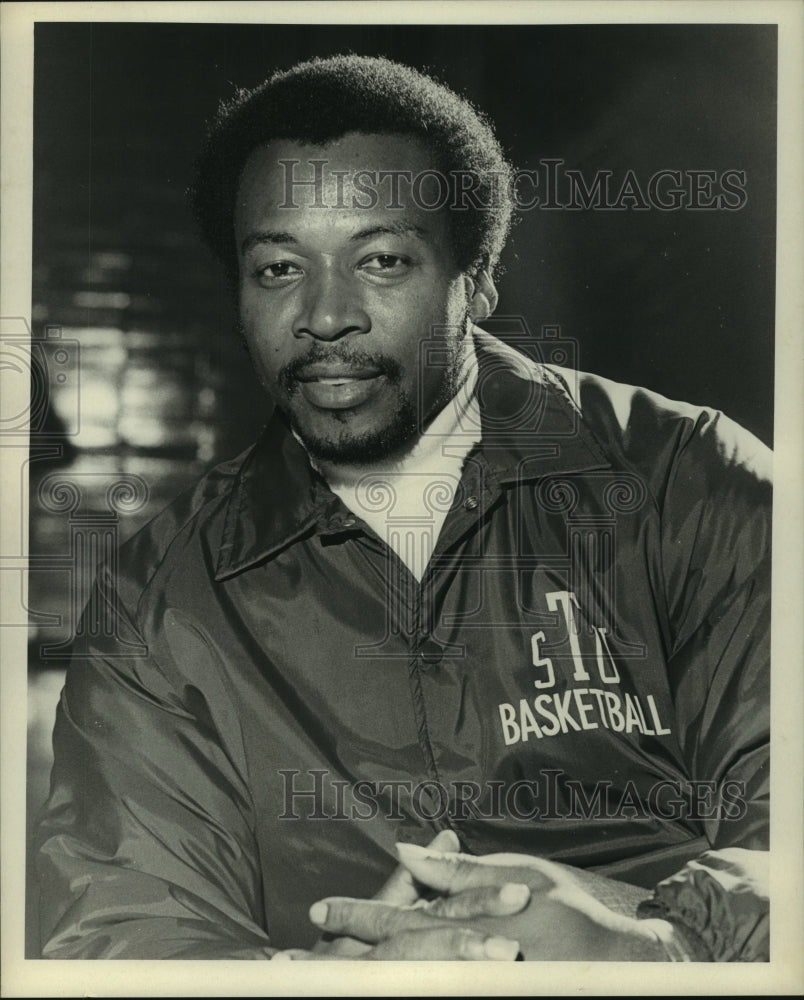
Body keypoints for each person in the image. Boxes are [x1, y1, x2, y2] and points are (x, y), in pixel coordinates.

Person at [36, 54, 770, 962]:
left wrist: (658, 948)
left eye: (382, 260)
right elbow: (117, 939)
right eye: (276, 268)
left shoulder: (693, 486)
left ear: (481, 279)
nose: (324, 315)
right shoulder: (156, 598)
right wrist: (317, 985)